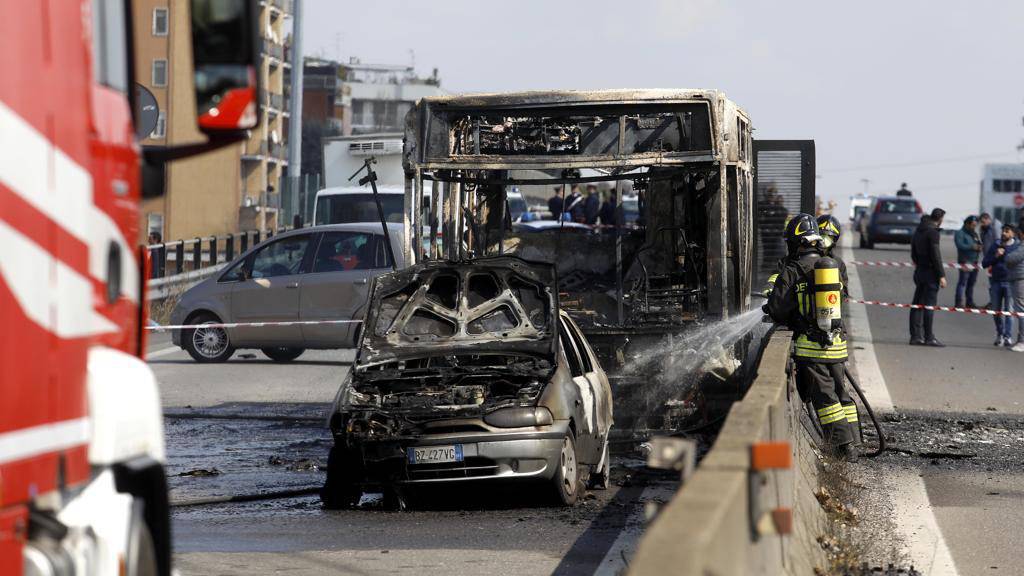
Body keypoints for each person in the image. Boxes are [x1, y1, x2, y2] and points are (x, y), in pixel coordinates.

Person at [765, 213, 857, 461]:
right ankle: (855, 441)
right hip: (836, 344)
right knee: (841, 393)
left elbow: (777, 309)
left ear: (796, 242)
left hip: (811, 348)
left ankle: (843, 447)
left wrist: (770, 306)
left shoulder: (793, 269)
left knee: (825, 398)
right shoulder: (833, 266)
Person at [909, 208, 947, 347]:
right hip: (931, 273)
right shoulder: (933, 233)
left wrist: (919, 264)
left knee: (917, 304)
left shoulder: (918, 231)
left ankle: (915, 336)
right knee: (929, 306)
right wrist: (941, 275)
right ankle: (929, 337)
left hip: (919, 271)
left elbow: (913, 253)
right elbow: (936, 255)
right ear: (940, 218)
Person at [981, 224, 1018, 347]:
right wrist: (996, 256)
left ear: (1013, 234)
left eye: (1007, 231)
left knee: (1009, 311)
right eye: (1003, 231)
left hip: (1010, 283)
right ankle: (1000, 334)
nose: (1004, 233)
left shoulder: (1017, 246)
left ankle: (1008, 336)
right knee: (996, 311)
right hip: (996, 282)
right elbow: (984, 263)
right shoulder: (996, 245)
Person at [1002, 224, 1024, 351]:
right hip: (1018, 279)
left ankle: (1022, 341)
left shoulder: (1022, 246)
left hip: (1020, 280)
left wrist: (1006, 252)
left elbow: (1010, 259)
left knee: (1021, 311)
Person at [953, 215, 982, 308]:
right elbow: (960, 245)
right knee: (962, 282)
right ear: (966, 224)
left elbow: (978, 242)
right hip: (965, 261)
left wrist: (980, 246)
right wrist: (972, 247)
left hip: (975, 262)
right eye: (972, 225)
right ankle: (958, 302)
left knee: (971, 283)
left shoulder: (974, 233)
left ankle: (969, 301)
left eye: (975, 225)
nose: (974, 227)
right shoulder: (959, 233)